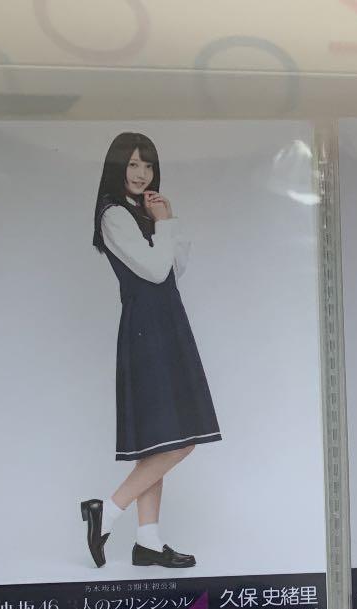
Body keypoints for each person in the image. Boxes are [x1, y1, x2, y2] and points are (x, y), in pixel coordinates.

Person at [81, 132, 221, 570]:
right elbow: (157, 270)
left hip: (166, 324)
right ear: (117, 167)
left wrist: (167, 218)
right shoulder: (113, 215)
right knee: (179, 441)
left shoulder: (144, 212)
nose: (142, 173)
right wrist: (163, 224)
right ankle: (107, 511)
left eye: (148, 165)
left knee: (160, 441)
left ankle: (148, 541)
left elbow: (177, 266)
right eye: (133, 164)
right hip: (147, 331)